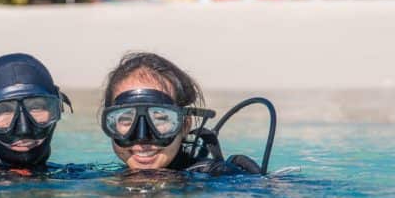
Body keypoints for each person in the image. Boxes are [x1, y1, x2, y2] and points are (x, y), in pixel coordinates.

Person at [100, 52, 270, 175]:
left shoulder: (212, 180)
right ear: (110, 125)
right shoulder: (96, 179)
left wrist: (257, 184)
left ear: (184, 125)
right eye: (126, 120)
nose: (142, 138)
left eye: (159, 119)